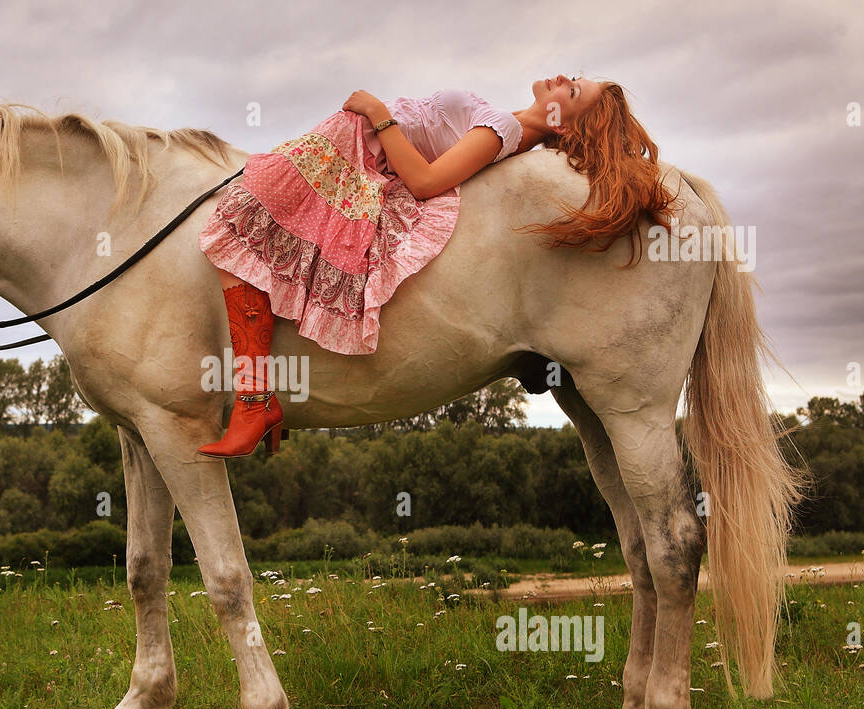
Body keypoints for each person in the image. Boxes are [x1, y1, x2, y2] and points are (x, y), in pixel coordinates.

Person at [196, 75, 673, 458]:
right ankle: (257, 400)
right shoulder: (506, 122)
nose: (565, 78)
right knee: (259, 238)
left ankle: (254, 402)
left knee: (238, 225)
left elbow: (425, 182)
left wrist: (379, 115)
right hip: (345, 151)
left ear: (564, 126)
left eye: (573, 91)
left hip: (352, 153)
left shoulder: (503, 131)